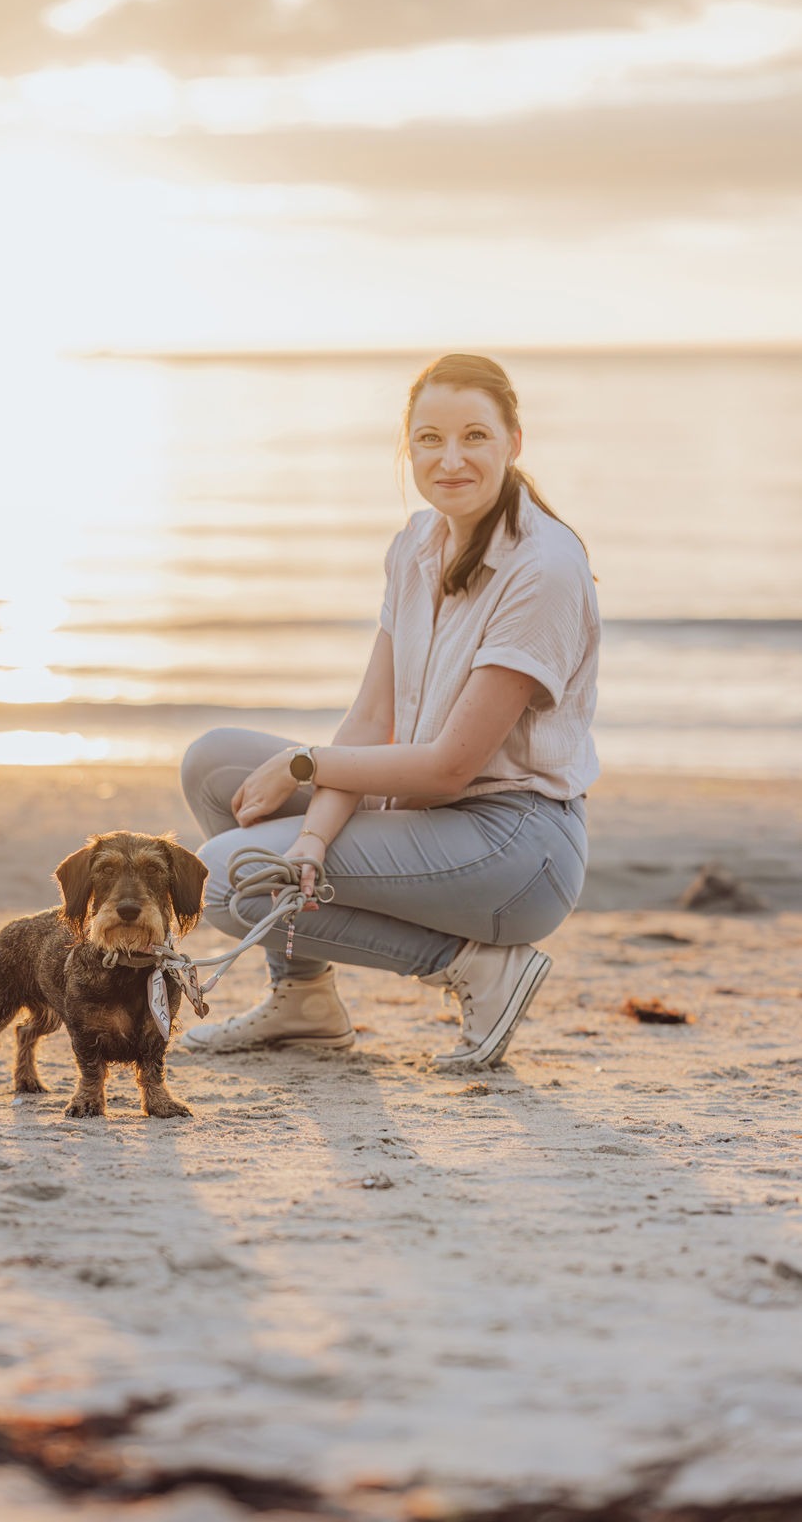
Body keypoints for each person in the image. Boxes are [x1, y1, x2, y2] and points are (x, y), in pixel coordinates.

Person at [179, 353, 599, 1069]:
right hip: (426, 814)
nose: (450, 459)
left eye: (474, 436)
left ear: (513, 442)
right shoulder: (416, 546)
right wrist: (311, 839)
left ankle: (477, 966)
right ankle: (303, 1000)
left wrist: (303, 766)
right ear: (409, 447)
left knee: (225, 878)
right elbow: (372, 723)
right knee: (215, 765)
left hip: (515, 845)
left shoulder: (543, 568)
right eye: (429, 439)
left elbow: (449, 768)